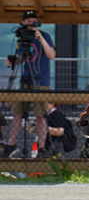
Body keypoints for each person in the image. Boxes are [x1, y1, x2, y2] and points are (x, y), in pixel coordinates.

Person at [1, 10, 56, 158]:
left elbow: (51, 55)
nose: (31, 25)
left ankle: (42, 148)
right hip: (25, 81)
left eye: (34, 22)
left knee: (40, 116)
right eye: (28, 22)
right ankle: (11, 144)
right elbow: (21, 59)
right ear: (24, 23)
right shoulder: (22, 38)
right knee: (18, 112)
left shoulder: (45, 36)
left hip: (41, 81)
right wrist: (11, 61)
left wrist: (39, 38)